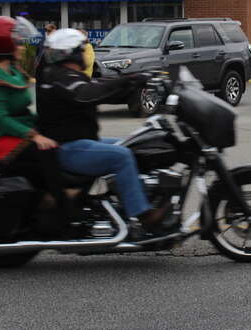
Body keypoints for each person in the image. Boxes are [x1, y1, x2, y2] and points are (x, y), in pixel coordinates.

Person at [35, 28, 170, 237]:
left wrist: (137, 81)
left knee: (133, 144)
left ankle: (131, 200)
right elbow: (87, 94)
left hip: (79, 142)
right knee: (122, 156)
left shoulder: (63, 75)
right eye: (81, 50)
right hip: (68, 148)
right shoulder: (60, 77)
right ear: (70, 53)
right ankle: (143, 215)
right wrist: (131, 80)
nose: (85, 54)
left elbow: (98, 87)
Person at [0, 16, 79, 238]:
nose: (21, 46)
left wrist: (49, 124)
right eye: (17, 42)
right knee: (46, 150)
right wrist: (34, 136)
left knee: (56, 139)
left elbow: (24, 112)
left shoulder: (14, 72)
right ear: (4, 46)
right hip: (1, 138)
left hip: (17, 130)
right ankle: (62, 204)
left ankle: (48, 195)